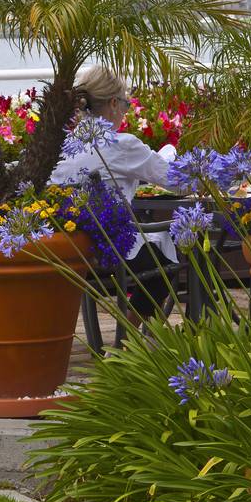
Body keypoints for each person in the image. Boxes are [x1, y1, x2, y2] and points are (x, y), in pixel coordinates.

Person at [50, 64, 177, 322]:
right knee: (168, 260)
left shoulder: (61, 146)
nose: (125, 111)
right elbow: (179, 182)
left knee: (156, 250)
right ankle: (132, 341)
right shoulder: (122, 146)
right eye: (126, 105)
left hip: (71, 248)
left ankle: (136, 342)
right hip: (112, 252)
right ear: (112, 104)